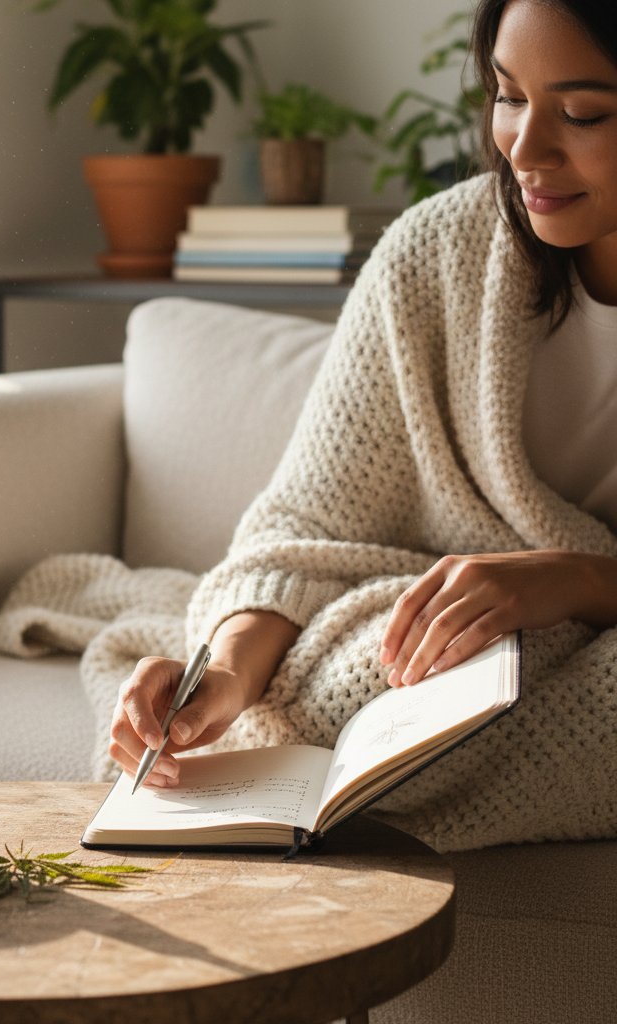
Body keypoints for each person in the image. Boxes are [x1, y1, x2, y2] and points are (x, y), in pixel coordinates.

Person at [109, 0, 617, 852]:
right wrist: (226, 675)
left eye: (583, 113)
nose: (523, 149)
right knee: (349, 685)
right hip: (466, 652)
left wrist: (577, 581)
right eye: (507, 95)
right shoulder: (434, 258)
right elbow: (301, 531)